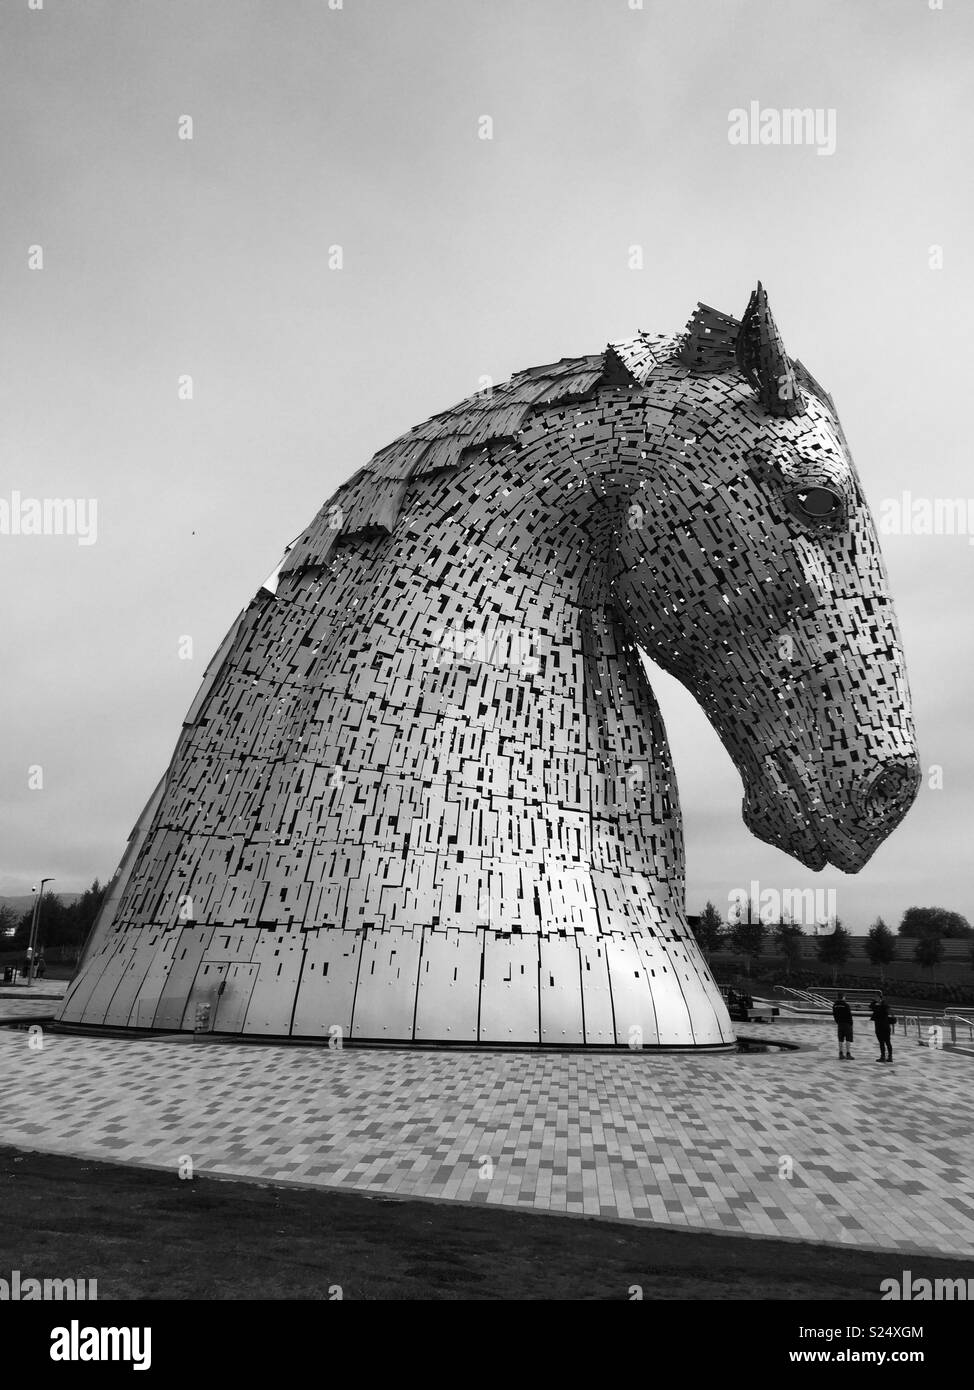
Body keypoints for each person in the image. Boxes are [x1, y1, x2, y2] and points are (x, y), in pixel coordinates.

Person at [870, 994, 893, 1062]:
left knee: (887, 1042)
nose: (876, 999)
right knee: (881, 1042)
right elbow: (871, 1006)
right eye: (875, 998)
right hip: (878, 1026)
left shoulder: (884, 1005)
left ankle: (890, 1056)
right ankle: (882, 1056)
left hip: (885, 1026)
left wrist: (879, 1004)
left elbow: (886, 1007)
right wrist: (875, 1002)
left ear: (880, 998)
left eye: (877, 998)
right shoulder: (875, 1005)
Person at [832, 992, 854, 1060]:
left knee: (840, 1039)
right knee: (848, 1039)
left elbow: (834, 1015)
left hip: (840, 1024)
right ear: (843, 997)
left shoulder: (835, 1005)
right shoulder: (846, 1005)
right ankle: (848, 1054)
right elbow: (849, 1015)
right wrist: (851, 1023)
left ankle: (840, 1053)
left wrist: (837, 1022)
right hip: (847, 1024)